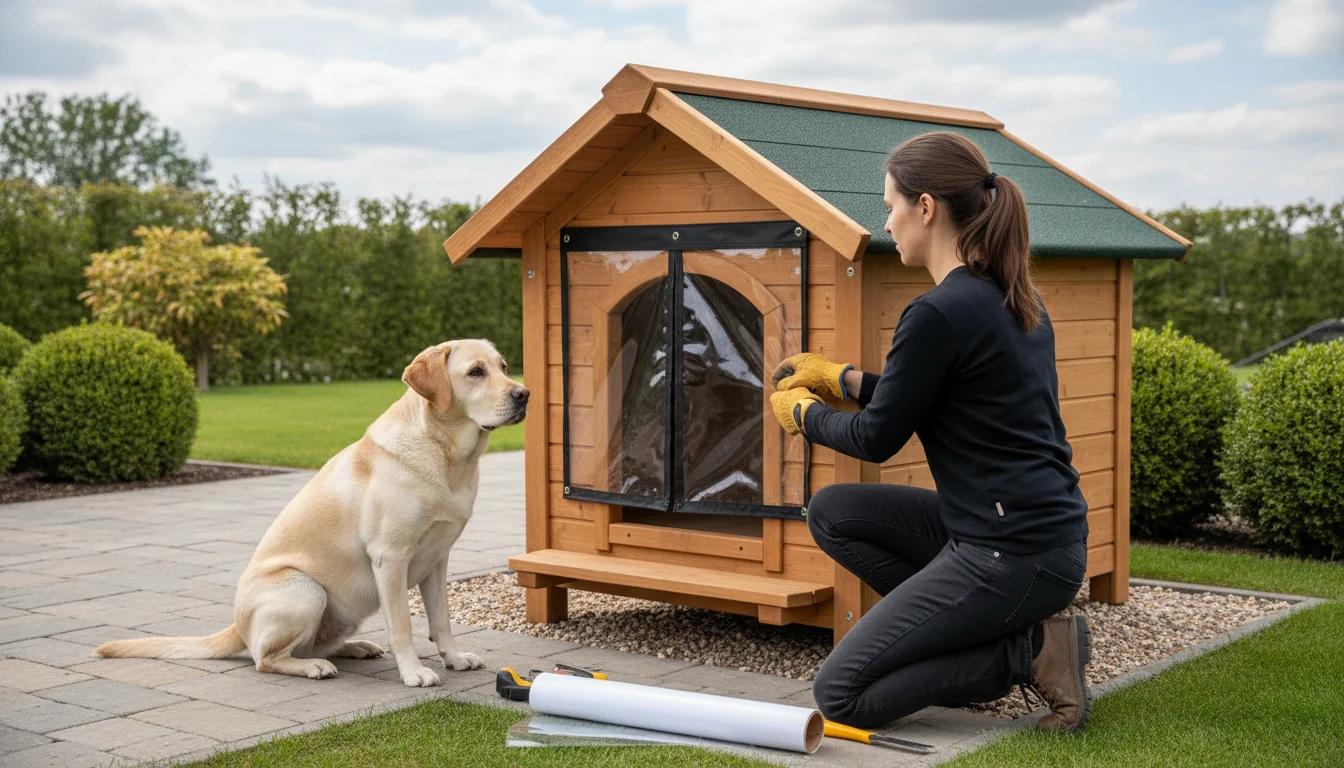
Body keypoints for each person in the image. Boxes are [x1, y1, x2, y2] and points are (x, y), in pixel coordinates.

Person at [768, 131, 1093, 733]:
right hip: (1039, 537)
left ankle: (1027, 654)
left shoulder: (939, 311)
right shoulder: (1011, 298)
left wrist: (804, 416)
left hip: (1010, 551)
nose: (886, 223)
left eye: (890, 205)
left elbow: (876, 438)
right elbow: (937, 394)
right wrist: (840, 376)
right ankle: (961, 632)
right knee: (834, 510)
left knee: (841, 694)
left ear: (925, 207)